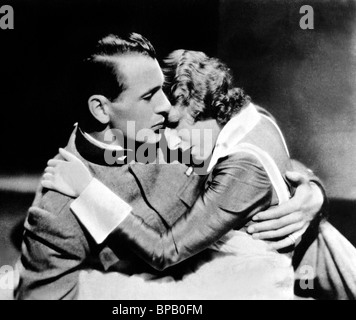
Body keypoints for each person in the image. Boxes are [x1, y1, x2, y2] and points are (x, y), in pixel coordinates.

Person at [16, 33, 324, 300]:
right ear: (100, 108)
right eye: (150, 96)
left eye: (161, 90)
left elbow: (255, 154)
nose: (165, 106)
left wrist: (310, 191)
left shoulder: (168, 125)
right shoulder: (56, 211)